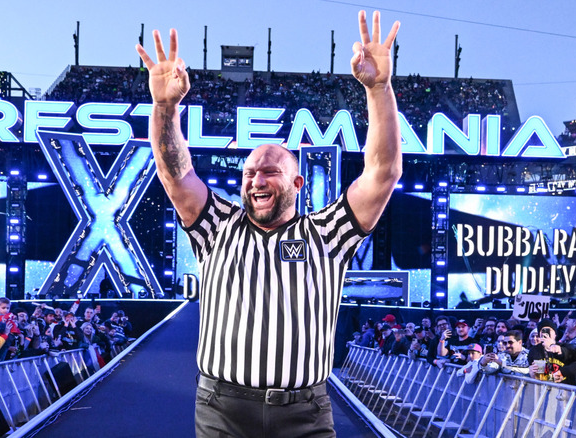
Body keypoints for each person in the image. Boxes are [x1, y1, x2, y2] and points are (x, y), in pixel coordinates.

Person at [136, 9, 401, 437]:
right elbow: (175, 171)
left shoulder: (328, 233)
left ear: (297, 182)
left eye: (269, 172)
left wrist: (380, 89)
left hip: (305, 412)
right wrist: (165, 107)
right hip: (223, 408)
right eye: (249, 173)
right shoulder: (217, 225)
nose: (256, 180)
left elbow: (382, 172)